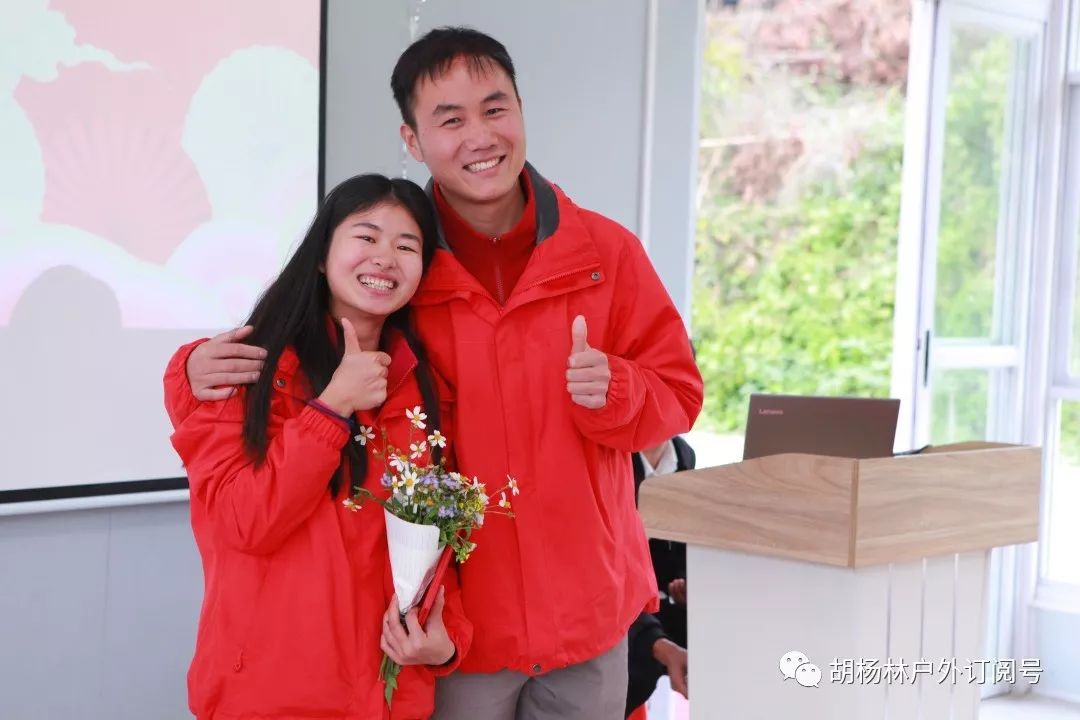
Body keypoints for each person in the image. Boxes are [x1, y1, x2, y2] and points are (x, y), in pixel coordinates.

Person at [167, 28, 703, 720]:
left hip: (588, 617)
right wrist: (188, 368)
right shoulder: (399, 273)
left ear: (521, 110)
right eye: (450, 119)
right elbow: (297, 342)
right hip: (455, 634)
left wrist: (619, 391)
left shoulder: (606, 252)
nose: (479, 135)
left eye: (495, 108)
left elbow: (679, 394)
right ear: (413, 140)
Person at [167, 174, 472, 719]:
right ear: (321, 256)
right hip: (272, 697)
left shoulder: (426, 390)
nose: (386, 258)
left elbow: (440, 542)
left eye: (407, 246)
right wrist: (332, 408)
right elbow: (244, 522)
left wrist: (447, 643)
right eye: (367, 236)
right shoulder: (244, 370)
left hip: (389, 699)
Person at [625, 436, 696, 718]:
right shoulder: (612, 460)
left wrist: (686, 583)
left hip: (660, 598)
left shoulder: (683, 455)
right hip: (622, 605)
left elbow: (680, 544)